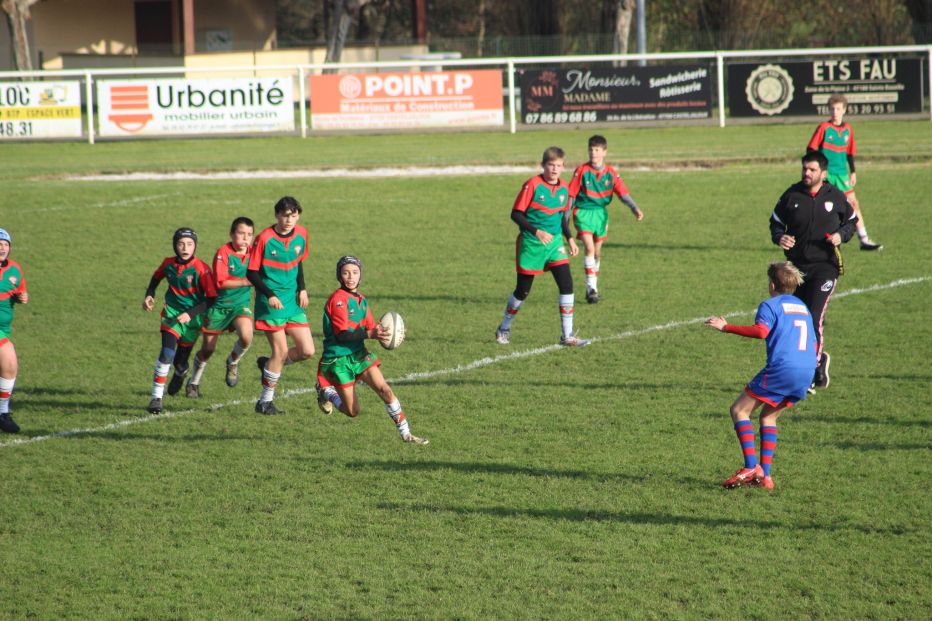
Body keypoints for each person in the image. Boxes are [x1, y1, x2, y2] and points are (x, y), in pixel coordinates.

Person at [705, 261, 817, 491]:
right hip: (806, 371)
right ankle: (765, 476)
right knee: (768, 417)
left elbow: (761, 331)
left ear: (772, 284)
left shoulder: (770, 305)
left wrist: (726, 327)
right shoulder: (802, 306)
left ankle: (750, 467)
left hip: (783, 369)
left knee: (739, 410)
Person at [315, 256, 428, 444]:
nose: (351, 277)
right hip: (338, 360)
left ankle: (406, 433)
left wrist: (392, 333)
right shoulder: (338, 300)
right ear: (339, 276)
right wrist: (370, 334)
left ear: (360, 276)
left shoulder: (362, 301)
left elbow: (372, 327)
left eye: (355, 272)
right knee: (352, 411)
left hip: (359, 354)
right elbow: (343, 335)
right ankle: (326, 392)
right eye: (346, 272)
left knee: (385, 390)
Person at [770, 151, 857, 391]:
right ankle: (818, 364)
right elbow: (775, 221)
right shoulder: (792, 195)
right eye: (804, 169)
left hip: (825, 268)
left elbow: (852, 221)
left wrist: (842, 235)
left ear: (823, 173)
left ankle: (808, 372)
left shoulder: (835, 196)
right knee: (794, 318)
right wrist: (780, 236)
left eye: (812, 170)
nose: (806, 173)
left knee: (814, 315)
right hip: (796, 269)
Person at [495, 146, 590, 347]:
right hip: (532, 243)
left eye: (558, 166)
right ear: (543, 165)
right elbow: (516, 214)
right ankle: (504, 327)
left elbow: (561, 218)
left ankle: (567, 335)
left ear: (563, 167)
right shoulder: (532, 185)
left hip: (555, 243)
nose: (554, 169)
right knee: (523, 291)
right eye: (550, 165)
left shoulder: (564, 189)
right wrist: (536, 231)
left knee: (567, 284)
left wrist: (570, 238)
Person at [247, 196, 315, 415]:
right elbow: (251, 272)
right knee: (281, 350)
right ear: (277, 215)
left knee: (307, 351)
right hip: (270, 305)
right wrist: (269, 294)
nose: (289, 220)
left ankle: (269, 364)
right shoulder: (264, 239)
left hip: (291, 303)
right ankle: (265, 402)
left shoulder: (302, 234)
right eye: (285, 215)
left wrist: (301, 288)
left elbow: (298, 261)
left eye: (293, 216)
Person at [142, 228, 217, 414]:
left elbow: (212, 298)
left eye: (190, 244)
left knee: (180, 361)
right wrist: (149, 295)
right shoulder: (168, 264)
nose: (185, 248)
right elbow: (156, 277)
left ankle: (181, 372)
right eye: (181, 244)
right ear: (175, 245)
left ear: (195, 246)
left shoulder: (202, 268)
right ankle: (156, 398)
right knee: (167, 353)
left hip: (193, 320)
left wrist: (191, 314)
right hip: (172, 314)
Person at [568, 135, 644, 303]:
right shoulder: (581, 171)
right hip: (583, 213)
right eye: (591, 150)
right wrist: (565, 216)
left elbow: (623, 193)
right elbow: (571, 195)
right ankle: (592, 288)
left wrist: (634, 208)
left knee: (597, 252)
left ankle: (592, 287)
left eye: (596, 150)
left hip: (600, 214)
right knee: (589, 248)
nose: (593, 153)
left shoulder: (611, 173)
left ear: (604, 152)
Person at [185, 217, 255, 398]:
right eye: (241, 233)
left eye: (249, 234)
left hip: (240, 306)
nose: (245, 238)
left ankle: (233, 361)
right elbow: (220, 282)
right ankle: (194, 382)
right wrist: (247, 281)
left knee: (246, 336)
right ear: (231, 234)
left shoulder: (254, 252)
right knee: (208, 349)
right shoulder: (223, 253)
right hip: (219, 307)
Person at [807, 93, 882, 251]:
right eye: (832, 109)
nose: (835, 112)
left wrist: (853, 172)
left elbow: (850, 153)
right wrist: (818, 170)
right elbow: (811, 149)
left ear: (844, 110)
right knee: (819, 206)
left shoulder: (848, 130)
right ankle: (810, 239)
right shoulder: (824, 128)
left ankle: (864, 239)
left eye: (838, 109)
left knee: (854, 204)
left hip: (842, 174)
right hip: (826, 175)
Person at [0, 229, 28, 434]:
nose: (2, 247)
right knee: (9, 359)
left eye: (6, 244)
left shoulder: (15, 270)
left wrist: (22, 297)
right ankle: (3, 413)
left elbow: (21, 291)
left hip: (4, 328)